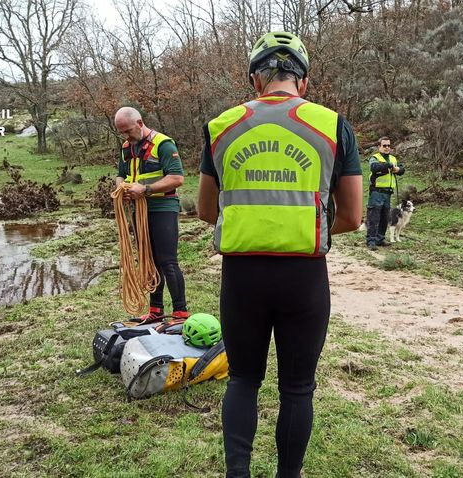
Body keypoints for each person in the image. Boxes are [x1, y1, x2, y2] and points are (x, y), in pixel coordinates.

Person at [196, 32, 362, 478]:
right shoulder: (332, 125)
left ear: (256, 80)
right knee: (297, 389)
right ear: (303, 83)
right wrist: (304, 228)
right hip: (304, 278)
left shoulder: (221, 125)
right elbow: (352, 215)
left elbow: (205, 210)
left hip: (241, 276)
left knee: (243, 380)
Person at [114, 106, 188, 323]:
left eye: (128, 131)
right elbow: (121, 175)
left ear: (139, 123)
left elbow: (177, 178)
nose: (126, 136)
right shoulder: (127, 147)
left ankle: (180, 313)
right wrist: (123, 188)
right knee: (149, 261)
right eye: (122, 133)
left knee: (167, 261)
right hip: (140, 210)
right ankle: (155, 311)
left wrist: (145, 190)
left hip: (163, 207)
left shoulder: (163, 144)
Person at [365, 137, 405, 250]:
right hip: (377, 192)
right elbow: (374, 167)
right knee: (373, 217)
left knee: (384, 217)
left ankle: (380, 239)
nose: (387, 147)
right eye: (384, 145)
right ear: (379, 147)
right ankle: (371, 241)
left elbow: (402, 169)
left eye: (388, 145)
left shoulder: (393, 158)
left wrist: (398, 169)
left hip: (388, 193)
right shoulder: (375, 158)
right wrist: (389, 166)